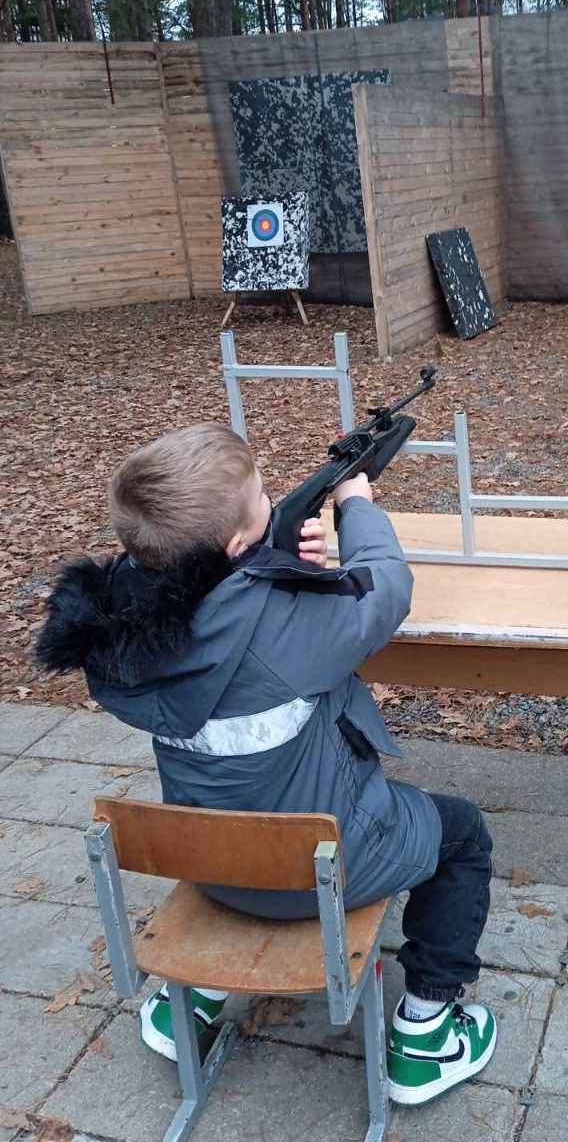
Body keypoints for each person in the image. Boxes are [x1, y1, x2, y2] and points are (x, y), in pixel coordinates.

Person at [35, 422, 496, 1106]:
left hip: (211, 863)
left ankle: (190, 996)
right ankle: (429, 1029)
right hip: (324, 871)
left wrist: (274, 566)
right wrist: (356, 504)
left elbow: (223, 621)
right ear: (234, 547)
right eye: (262, 503)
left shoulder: (119, 644)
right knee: (463, 835)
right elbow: (386, 589)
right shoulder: (288, 628)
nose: (274, 503)